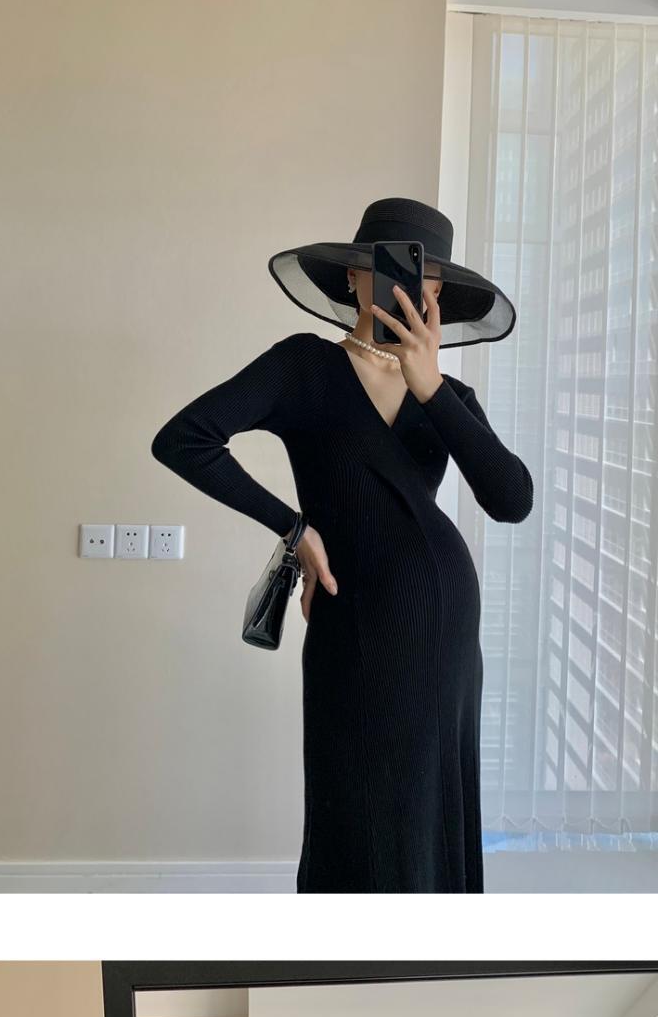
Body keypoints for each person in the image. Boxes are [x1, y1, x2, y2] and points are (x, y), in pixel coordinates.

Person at [151, 194, 532, 892]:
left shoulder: (449, 395)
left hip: (443, 625)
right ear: (354, 278)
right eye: (386, 270)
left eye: (424, 279)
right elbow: (183, 439)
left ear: (438, 295)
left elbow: (513, 501)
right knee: (350, 809)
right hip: (351, 620)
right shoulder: (304, 367)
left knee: (430, 807)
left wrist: (430, 386)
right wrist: (293, 529)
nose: (406, 289)